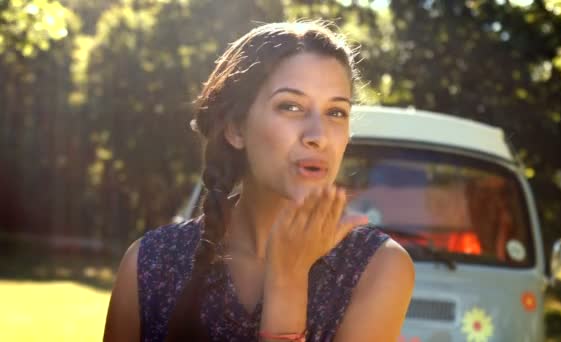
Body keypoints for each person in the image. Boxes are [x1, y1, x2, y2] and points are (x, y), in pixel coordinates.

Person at [103, 21, 415, 342]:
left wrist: (288, 279)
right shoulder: (149, 265)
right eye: (290, 106)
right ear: (236, 128)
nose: (318, 137)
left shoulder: (378, 268)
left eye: (336, 112)